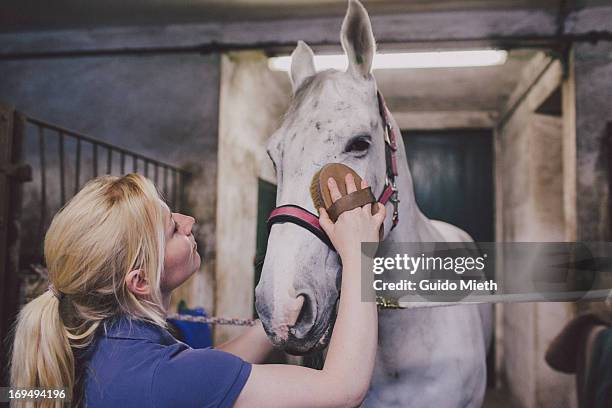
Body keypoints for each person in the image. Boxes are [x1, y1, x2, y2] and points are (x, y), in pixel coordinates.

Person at [10, 173, 385, 407]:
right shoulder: (164, 378)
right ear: (139, 281)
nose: (188, 222)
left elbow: (207, 370)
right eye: (172, 228)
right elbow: (342, 389)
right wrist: (359, 250)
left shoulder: (91, 345)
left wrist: (276, 321)